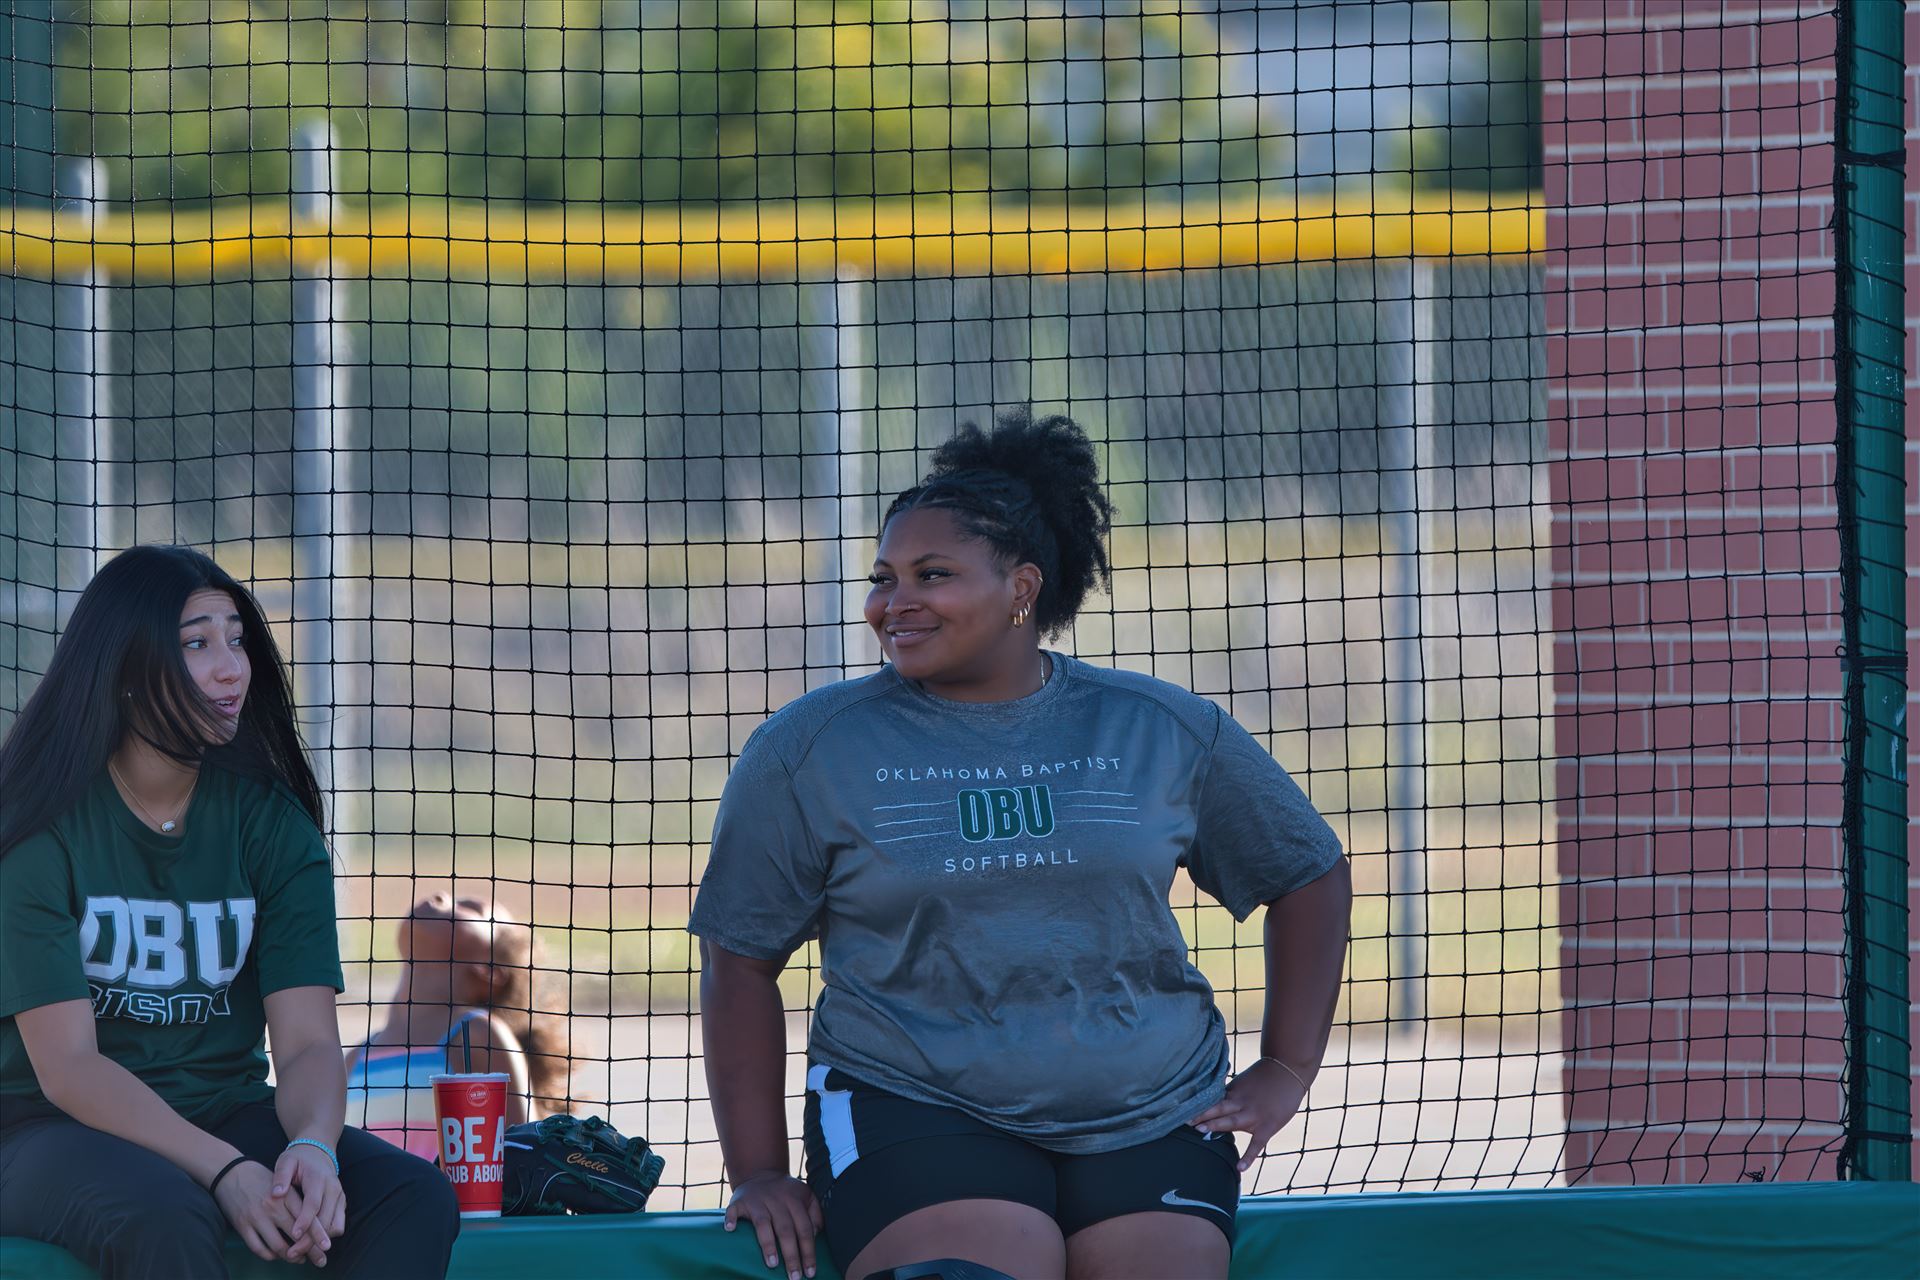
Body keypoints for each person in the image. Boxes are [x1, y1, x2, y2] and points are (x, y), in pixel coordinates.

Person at [690, 410, 1353, 1280]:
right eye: (884, 578)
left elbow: (1308, 872)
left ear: (1022, 588)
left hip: (1151, 1111)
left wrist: (1287, 1067)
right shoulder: (809, 748)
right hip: (914, 1103)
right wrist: (762, 1173)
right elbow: (738, 958)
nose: (896, 602)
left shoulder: (1156, 726)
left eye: (934, 575)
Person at [0, 545, 459, 1279]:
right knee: (165, 1213)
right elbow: (70, 1069)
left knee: (414, 1196)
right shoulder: (40, 830)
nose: (231, 667)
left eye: (237, 639)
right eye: (196, 643)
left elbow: (308, 1044)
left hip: (228, 1110)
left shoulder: (272, 824)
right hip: (47, 1130)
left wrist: (311, 1146)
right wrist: (226, 1171)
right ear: (125, 669)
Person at [346, 890, 572, 1158]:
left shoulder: (476, 1036)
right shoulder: (356, 1058)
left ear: (489, 971)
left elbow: (527, 1156)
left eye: (471, 908)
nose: (442, 895)